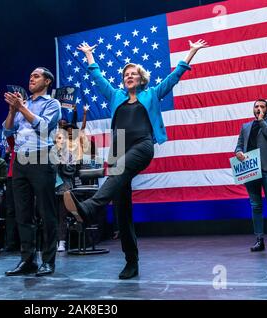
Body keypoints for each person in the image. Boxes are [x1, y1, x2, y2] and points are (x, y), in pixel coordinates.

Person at [64, 40, 208, 279]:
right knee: (123, 211)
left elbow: (173, 78)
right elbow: (98, 77)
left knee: (119, 174)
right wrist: (89, 55)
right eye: (126, 74)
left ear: (141, 79)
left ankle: (90, 207)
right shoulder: (115, 95)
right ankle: (131, 262)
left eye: (134, 74)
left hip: (142, 145)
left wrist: (191, 52)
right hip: (118, 149)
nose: (129, 77)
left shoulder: (151, 94)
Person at [3, 66, 61, 276]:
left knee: (46, 212)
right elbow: (8, 130)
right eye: (30, 76)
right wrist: (12, 110)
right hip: (20, 159)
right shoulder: (22, 105)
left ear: (47, 81)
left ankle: (48, 261)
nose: (31, 78)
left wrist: (22, 108)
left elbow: (43, 126)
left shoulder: (52, 103)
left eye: (36, 76)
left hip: (41, 157)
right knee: (23, 214)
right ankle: (28, 260)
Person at [235, 99, 267, 253]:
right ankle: (259, 240)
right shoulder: (246, 126)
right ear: (253, 109)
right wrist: (239, 153)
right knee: (255, 206)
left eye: (262, 106)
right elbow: (239, 145)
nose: (259, 108)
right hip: (251, 170)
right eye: (256, 106)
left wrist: (262, 120)